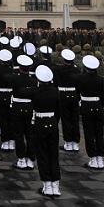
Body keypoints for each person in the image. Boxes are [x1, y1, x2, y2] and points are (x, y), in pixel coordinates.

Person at [33, 64, 61, 197]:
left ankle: (47, 185)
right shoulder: (56, 91)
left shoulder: (35, 91)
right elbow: (59, 110)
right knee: (53, 154)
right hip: (52, 122)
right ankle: (55, 185)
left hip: (40, 122)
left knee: (42, 154)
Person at [77, 54, 104, 169]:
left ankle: (93, 159)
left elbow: (78, 92)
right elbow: (103, 95)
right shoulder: (101, 79)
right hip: (98, 105)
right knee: (99, 133)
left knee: (89, 133)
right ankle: (100, 158)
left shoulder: (81, 78)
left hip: (86, 106)